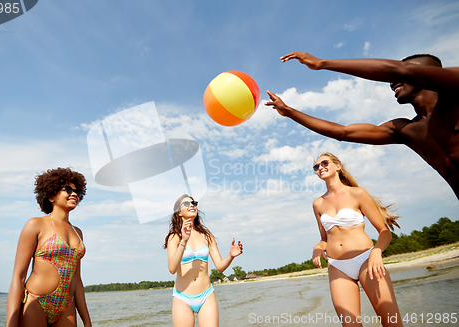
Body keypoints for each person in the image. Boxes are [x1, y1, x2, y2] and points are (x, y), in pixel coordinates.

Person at [265, 52, 459, 199]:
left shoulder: (454, 92)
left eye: (406, 72)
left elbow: (399, 70)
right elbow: (342, 132)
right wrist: (288, 111)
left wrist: (322, 64)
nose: (391, 82)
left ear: (428, 75)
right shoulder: (405, 129)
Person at [310, 153, 402, 326]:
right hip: (337, 265)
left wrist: (376, 251)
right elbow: (324, 238)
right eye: (316, 166)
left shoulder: (357, 194)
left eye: (324, 163)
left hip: (367, 260)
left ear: (338, 166)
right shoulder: (317, 204)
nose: (320, 167)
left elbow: (384, 231)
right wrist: (317, 247)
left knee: (391, 323)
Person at [6, 167, 92, 327]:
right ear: (51, 195)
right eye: (68, 189)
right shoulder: (35, 225)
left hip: (66, 305)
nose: (74, 194)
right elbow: (18, 277)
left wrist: (87, 322)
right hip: (36, 301)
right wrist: (11, 323)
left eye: (77, 192)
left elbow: (77, 280)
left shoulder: (78, 232)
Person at [164, 194, 243, 327]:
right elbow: (172, 269)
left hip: (206, 295)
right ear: (178, 212)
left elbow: (220, 266)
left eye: (194, 203)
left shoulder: (206, 236)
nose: (192, 205)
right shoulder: (174, 237)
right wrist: (184, 240)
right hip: (182, 297)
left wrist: (230, 256)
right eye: (187, 204)